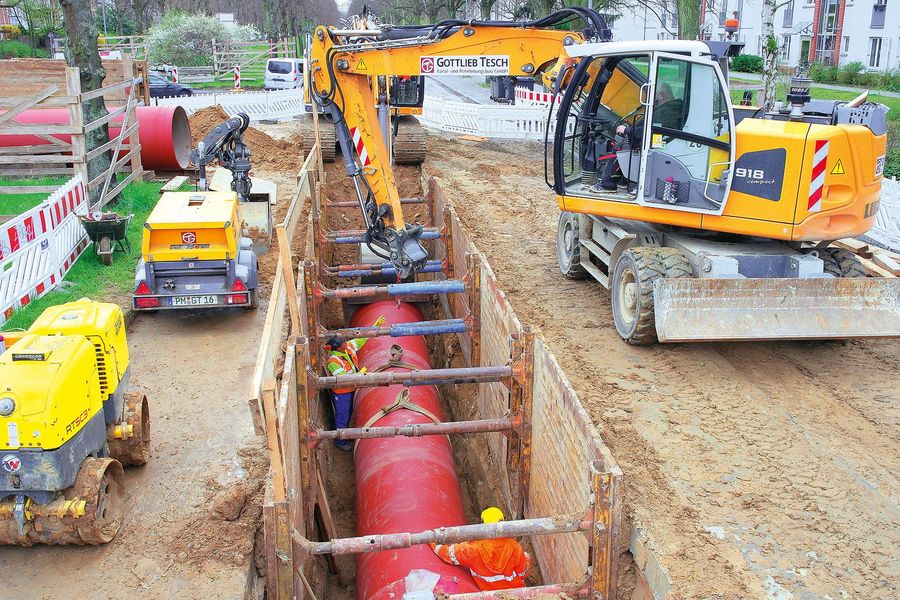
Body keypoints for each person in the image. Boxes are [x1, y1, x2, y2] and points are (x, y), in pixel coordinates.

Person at [594, 81, 685, 191]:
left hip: (655, 145)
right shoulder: (674, 108)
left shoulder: (665, 112)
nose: (651, 98)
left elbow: (649, 131)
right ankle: (620, 181)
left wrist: (627, 130)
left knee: (620, 148)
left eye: (654, 95)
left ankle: (608, 184)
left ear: (661, 96)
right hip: (660, 142)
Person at [431, 507, 531, 591]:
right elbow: (523, 574)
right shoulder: (514, 547)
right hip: (517, 593)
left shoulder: (472, 549)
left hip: (488, 595)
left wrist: (431, 540)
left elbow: (447, 554)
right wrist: (526, 558)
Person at [325, 314, 385, 451]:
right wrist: (359, 374)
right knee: (343, 415)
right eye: (342, 343)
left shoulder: (348, 348)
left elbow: (361, 339)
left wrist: (373, 328)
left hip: (352, 388)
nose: (345, 343)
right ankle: (340, 441)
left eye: (344, 341)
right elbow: (343, 379)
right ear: (337, 348)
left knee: (349, 413)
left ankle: (346, 434)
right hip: (342, 393)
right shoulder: (333, 362)